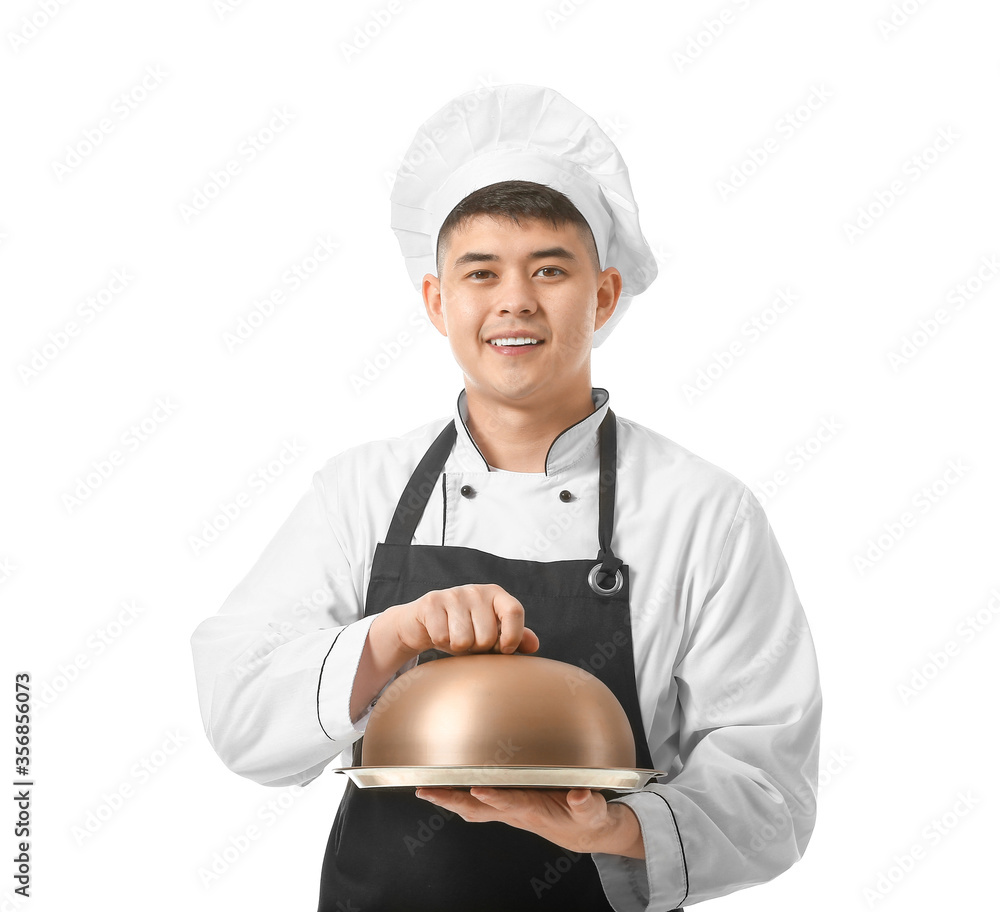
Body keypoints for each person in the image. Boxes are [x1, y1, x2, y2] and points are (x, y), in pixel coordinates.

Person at [189, 84, 822, 912]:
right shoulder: (360, 492)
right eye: (480, 272)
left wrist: (612, 831)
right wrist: (392, 636)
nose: (514, 301)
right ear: (437, 301)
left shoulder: (704, 514)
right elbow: (240, 708)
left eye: (549, 270)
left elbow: (772, 793)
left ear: (601, 296)